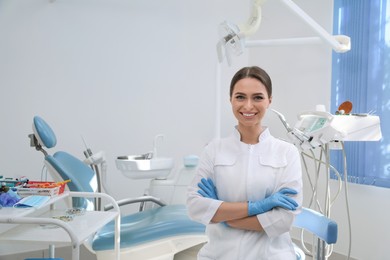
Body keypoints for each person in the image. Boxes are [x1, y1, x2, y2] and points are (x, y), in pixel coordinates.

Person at [186, 66, 303, 260]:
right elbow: (195, 207)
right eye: (240, 97)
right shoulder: (214, 150)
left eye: (257, 97)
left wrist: (223, 216)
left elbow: (284, 219)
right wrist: (257, 207)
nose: (248, 106)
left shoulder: (287, 152)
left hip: (271, 255)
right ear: (230, 99)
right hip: (219, 254)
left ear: (269, 101)